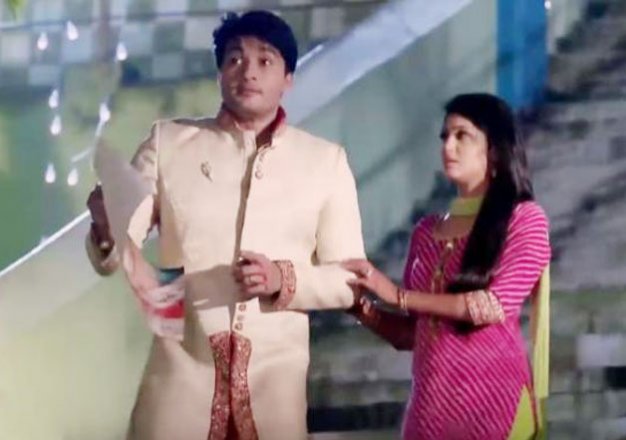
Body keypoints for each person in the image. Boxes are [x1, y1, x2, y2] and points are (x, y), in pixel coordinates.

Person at [86, 10, 364, 440]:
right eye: (234, 59)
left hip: (275, 389)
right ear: (219, 73)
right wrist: (105, 228)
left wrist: (282, 279)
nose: (248, 72)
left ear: (288, 78)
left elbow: (349, 280)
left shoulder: (325, 162)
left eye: (265, 60)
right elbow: (122, 240)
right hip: (179, 383)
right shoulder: (168, 143)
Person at [344, 93, 551, 440]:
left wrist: (397, 295)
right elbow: (412, 334)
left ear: (494, 150)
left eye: (461, 135)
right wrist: (359, 307)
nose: (448, 146)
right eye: (444, 136)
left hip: (495, 404)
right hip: (429, 412)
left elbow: (491, 306)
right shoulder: (426, 232)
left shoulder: (524, 219)